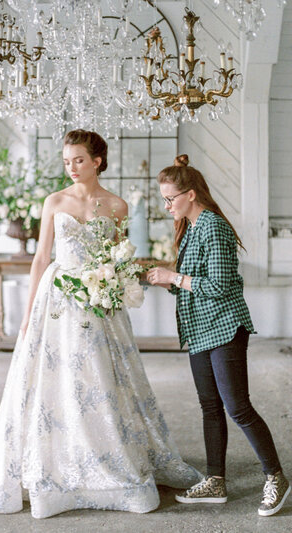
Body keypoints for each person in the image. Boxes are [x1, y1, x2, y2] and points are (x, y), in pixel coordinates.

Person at [0, 131, 201, 519]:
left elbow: (118, 258)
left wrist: (113, 283)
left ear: (98, 162)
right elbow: (40, 259)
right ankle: (58, 459)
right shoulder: (54, 202)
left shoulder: (118, 206)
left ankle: (103, 454)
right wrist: (26, 317)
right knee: (58, 383)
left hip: (101, 305)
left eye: (79, 160)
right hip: (58, 302)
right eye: (67, 161)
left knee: (100, 381)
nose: (71, 168)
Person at [147, 154, 290, 517]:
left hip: (225, 329)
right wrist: (158, 277)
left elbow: (220, 286)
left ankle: (276, 476)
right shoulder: (192, 228)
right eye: (164, 199)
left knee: (237, 408)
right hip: (199, 331)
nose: (166, 206)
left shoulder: (213, 226)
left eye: (170, 199)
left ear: (191, 194)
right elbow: (195, 284)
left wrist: (174, 278)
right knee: (210, 407)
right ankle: (215, 480)